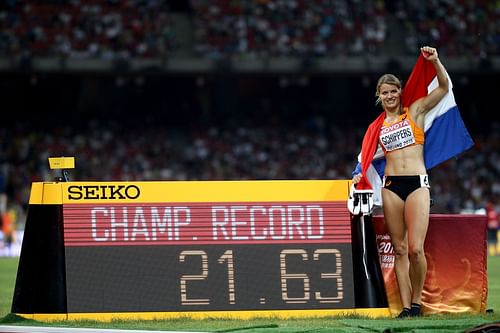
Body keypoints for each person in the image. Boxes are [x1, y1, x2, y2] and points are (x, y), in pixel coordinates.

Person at [353, 46, 449, 318]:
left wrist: (436, 61)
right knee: (400, 249)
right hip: (391, 186)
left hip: (417, 183)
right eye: (384, 92)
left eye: (394, 90)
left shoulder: (415, 111)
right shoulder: (377, 128)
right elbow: (367, 157)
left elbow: (442, 88)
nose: (390, 95)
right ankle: (406, 309)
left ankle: (418, 302)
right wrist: (360, 173)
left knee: (417, 250)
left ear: (400, 92)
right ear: (379, 96)